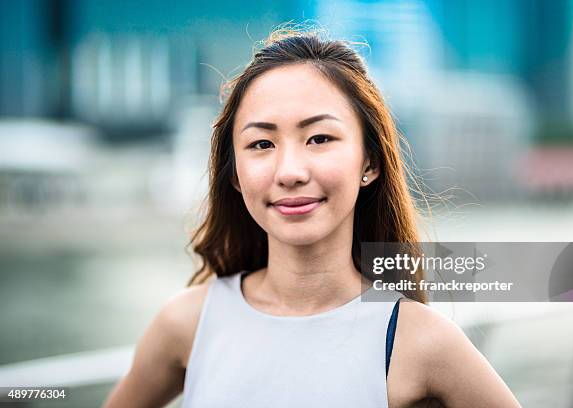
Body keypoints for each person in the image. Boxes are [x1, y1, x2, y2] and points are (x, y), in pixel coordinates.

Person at [103, 28, 521, 408]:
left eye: (319, 138)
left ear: (369, 161)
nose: (289, 172)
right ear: (233, 173)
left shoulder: (422, 341)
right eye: (262, 143)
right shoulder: (187, 323)